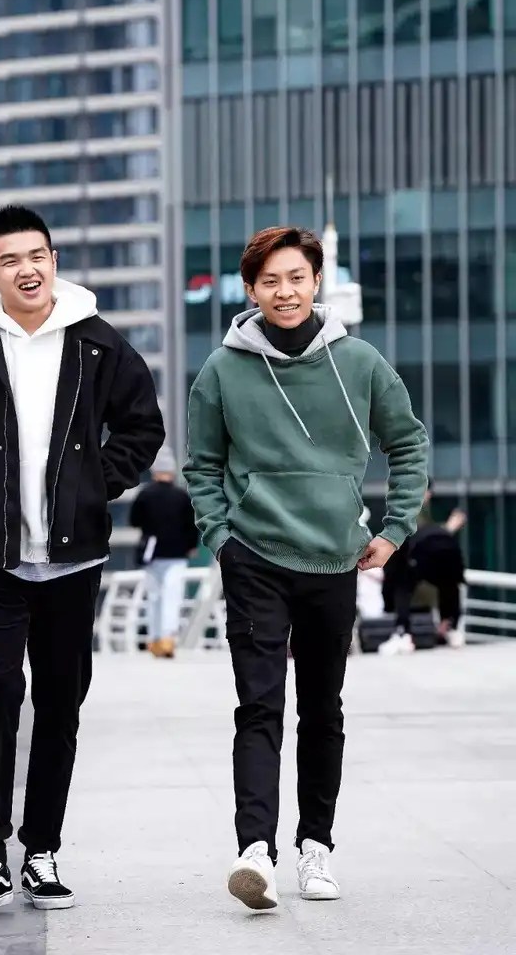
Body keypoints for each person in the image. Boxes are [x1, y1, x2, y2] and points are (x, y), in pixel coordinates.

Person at [0, 205, 164, 919]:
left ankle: (42, 851)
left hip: (73, 560)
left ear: (54, 261)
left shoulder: (97, 342)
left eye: (38, 256)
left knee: (59, 703)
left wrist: (95, 485)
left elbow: (142, 426)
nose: (28, 270)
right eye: (11, 260)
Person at [183, 226, 428, 911]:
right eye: (270, 281)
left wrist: (395, 530)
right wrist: (221, 539)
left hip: (333, 559)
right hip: (254, 557)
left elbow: (409, 443)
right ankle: (254, 852)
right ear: (250, 290)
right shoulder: (222, 370)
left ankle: (315, 846)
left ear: (316, 281)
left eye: (296, 278)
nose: (284, 292)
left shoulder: (361, 362)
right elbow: (202, 465)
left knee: (322, 709)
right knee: (259, 705)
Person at [129, 445, 199, 658]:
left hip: (152, 554)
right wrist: (191, 546)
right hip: (177, 554)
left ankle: (154, 638)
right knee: (172, 596)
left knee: (153, 597)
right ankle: (168, 638)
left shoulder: (145, 495)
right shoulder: (182, 496)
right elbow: (192, 526)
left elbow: (134, 520)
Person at [379, 484, 466, 655]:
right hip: (414, 560)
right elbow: (417, 532)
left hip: (424, 560)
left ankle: (444, 626)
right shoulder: (409, 509)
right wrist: (448, 528)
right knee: (405, 583)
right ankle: (409, 631)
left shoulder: (421, 509)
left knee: (446, 581)